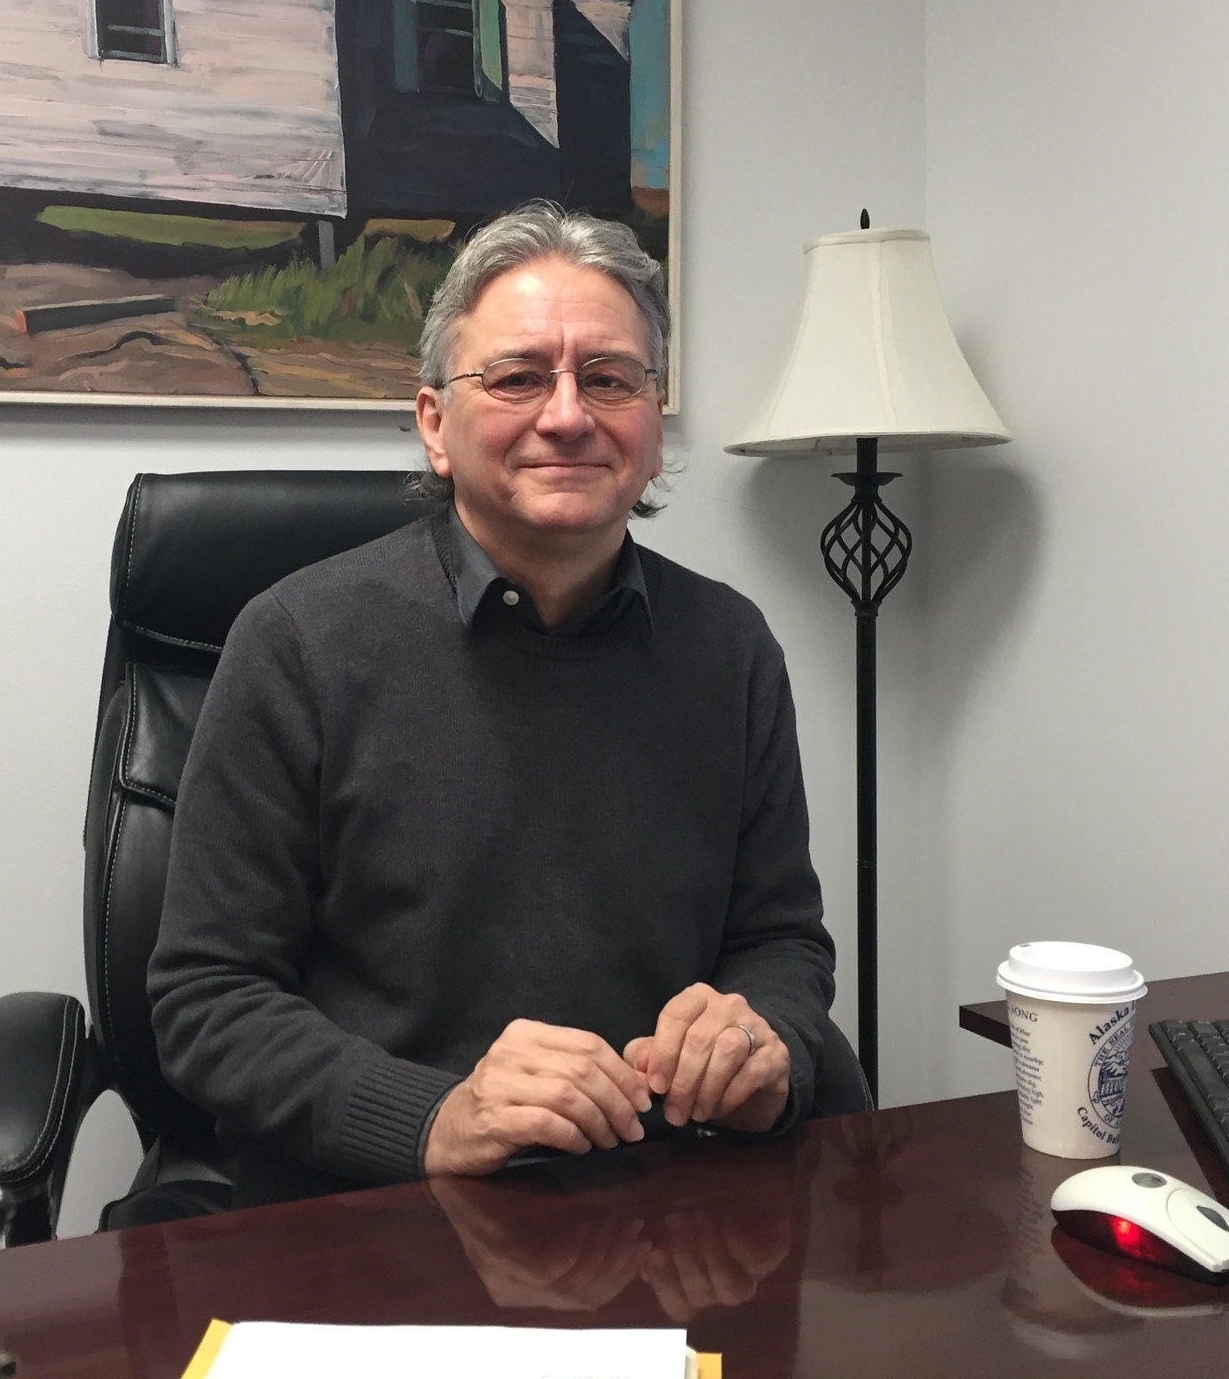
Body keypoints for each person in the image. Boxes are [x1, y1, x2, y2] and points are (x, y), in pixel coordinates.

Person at [147, 203, 836, 1206]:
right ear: (434, 424)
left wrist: (761, 1046)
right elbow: (207, 1001)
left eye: (608, 378)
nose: (567, 415)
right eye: (517, 377)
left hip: (665, 1204)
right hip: (373, 1208)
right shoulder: (297, 641)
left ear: (649, 425)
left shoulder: (728, 647)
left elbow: (780, 941)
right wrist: (431, 1119)